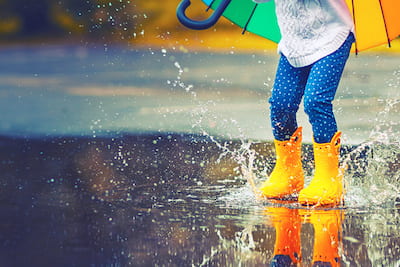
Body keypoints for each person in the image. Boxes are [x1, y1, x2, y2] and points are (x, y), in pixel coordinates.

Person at [253, 0, 355, 206]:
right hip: (294, 42)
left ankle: (328, 177)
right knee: (281, 104)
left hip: (332, 34)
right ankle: (288, 172)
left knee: (316, 102)